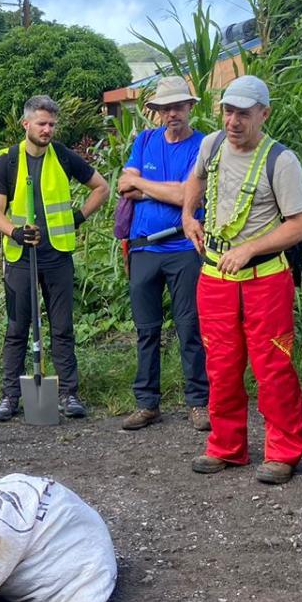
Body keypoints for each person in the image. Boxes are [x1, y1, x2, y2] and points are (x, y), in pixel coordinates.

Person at [182, 75, 302, 484]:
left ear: (264, 114)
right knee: (220, 364)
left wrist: (251, 249)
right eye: (227, 111)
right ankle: (226, 446)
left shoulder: (281, 160)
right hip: (215, 276)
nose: (233, 121)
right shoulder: (212, 144)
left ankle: (284, 452)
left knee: (273, 365)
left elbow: (300, 226)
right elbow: (197, 179)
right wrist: (188, 215)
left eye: (243, 113)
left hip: (265, 279)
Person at [0, 95, 110, 421]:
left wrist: (79, 217)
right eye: (42, 123)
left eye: (52, 124)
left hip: (57, 256)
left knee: (62, 328)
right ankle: (10, 396)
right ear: (26, 124)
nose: (47, 129)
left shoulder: (64, 157)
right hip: (20, 258)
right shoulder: (8, 161)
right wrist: (14, 232)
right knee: (16, 329)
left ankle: (69, 394)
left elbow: (102, 187)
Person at [117, 75, 210, 431]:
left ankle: (198, 402)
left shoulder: (202, 146)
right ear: (156, 112)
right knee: (146, 330)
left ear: (189, 107)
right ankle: (146, 403)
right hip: (143, 249)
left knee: (190, 327)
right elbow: (125, 186)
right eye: (165, 108)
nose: (172, 113)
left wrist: (144, 185)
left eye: (178, 106)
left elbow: (190, 196)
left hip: (185, 247)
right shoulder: (144, 140)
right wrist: (165, 188)